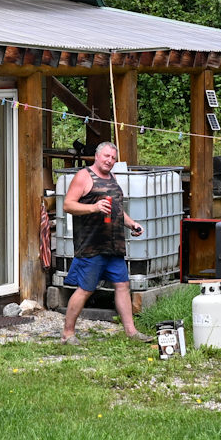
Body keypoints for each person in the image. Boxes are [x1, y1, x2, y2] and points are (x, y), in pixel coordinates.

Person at [60, 141, 153, 344]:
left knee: (122, 285)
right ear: (97, 156)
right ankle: (68, 333)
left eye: (113, 158)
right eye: (106, 156)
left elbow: (117, 209)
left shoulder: (113, 178)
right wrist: (93, 208)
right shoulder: (84, 176)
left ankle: (131, 331)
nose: (109, 161)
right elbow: (68, 205)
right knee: (85, 288)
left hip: (114, 245)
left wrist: (131, 224)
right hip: (92, 245)